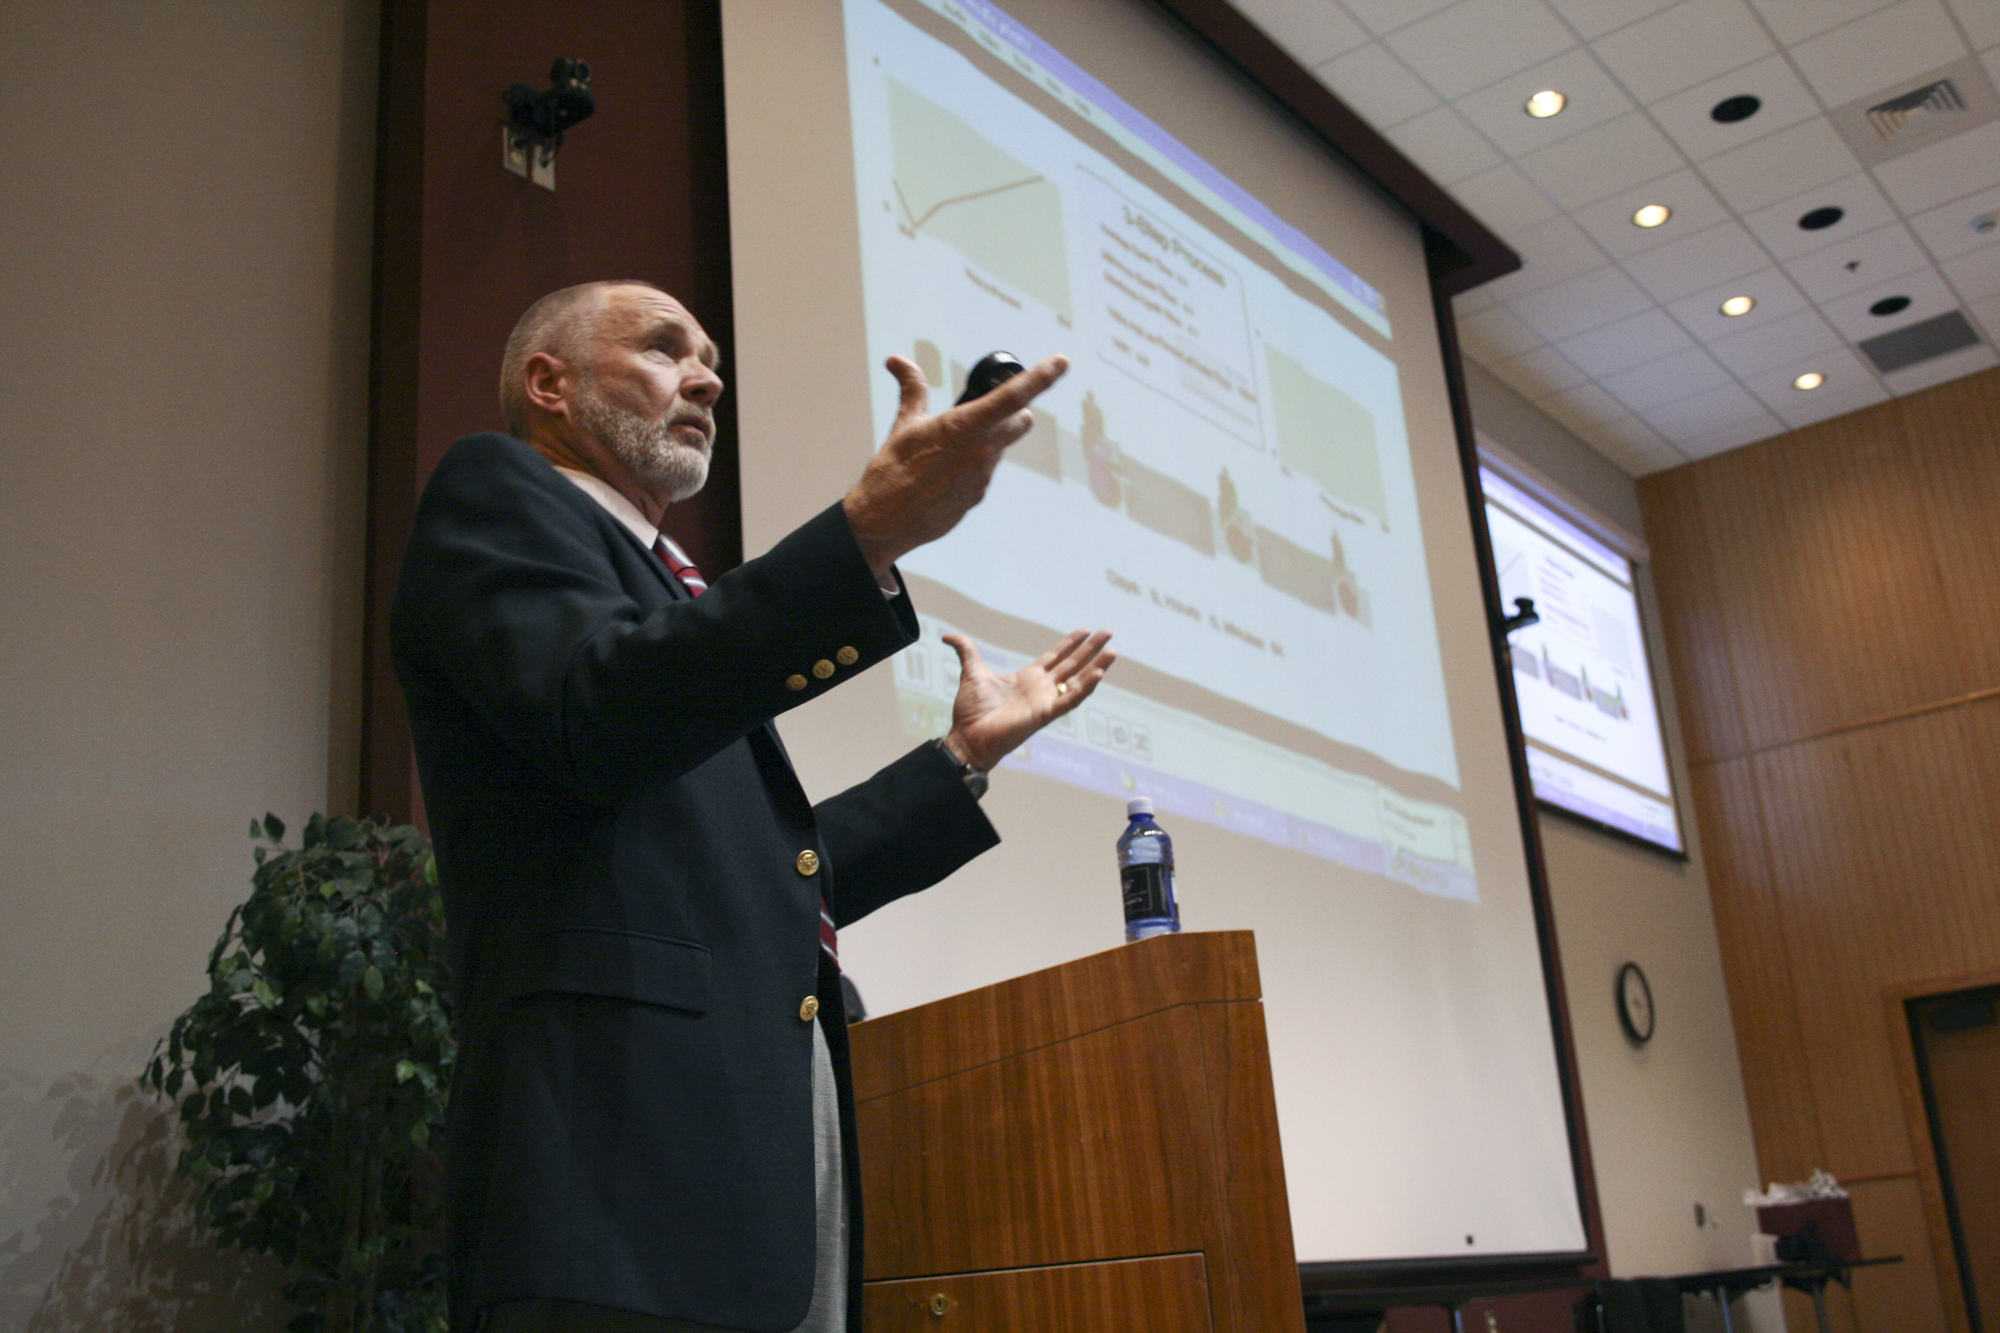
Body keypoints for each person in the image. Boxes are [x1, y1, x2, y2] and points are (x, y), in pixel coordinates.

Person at [391, 280, 1114, 1333]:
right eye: (662, 347)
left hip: (758, 1177)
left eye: (711, 358)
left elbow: (784, 875)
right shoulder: (496, 490)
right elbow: (593, 714)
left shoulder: (675, 603)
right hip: (614, 1188)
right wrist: (859, 536)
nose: (706, 376)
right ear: (548, 383)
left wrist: (960, 758)